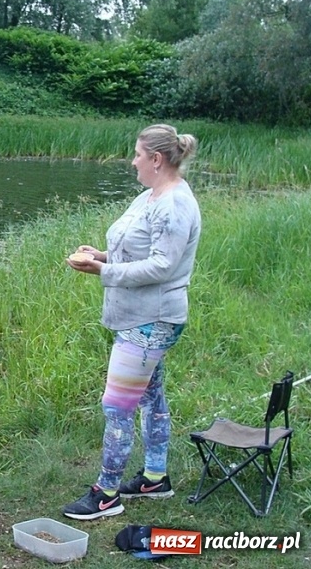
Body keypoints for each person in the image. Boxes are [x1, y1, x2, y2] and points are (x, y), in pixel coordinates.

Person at [62, 124, 201, 521]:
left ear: (156, 159)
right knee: (151, 395)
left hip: (152, 320)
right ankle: (155, 477)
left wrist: (100, 272)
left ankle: (106, 494)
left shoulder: (174, 205)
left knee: (117, 405)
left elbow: (161, 265)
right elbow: (135, 248)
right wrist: (102, 256)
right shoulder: (149, 196)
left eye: (138, 154)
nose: (133, 160)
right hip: (137, 317)